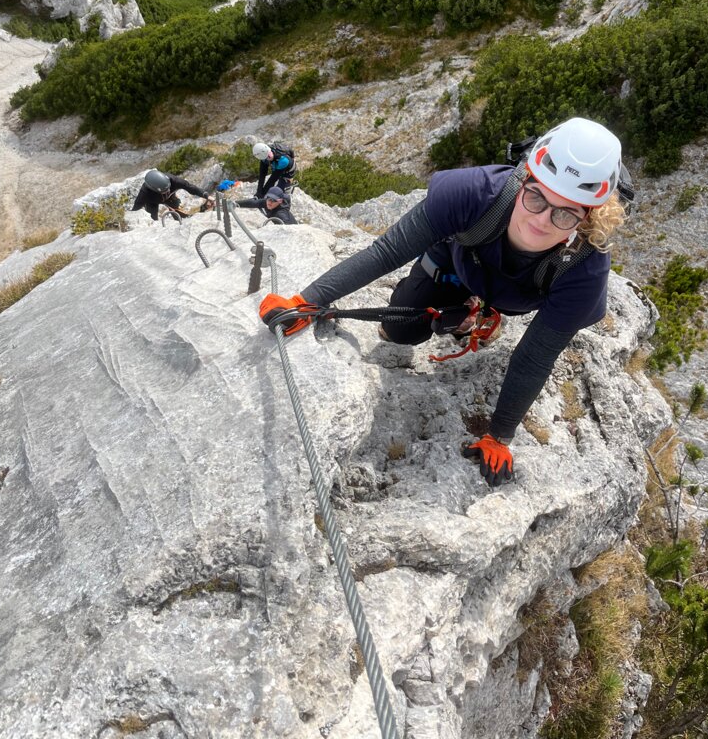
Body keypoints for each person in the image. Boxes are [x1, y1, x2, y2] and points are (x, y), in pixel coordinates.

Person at [259, 118, 628, 487]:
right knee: (398, 331)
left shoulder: (583, 269)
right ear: (523, 179)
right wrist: (308, 301)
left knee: (503, 303)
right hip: (457, 265)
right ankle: (464, 310)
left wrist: (499, 436)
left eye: (565, 213)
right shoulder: (472, 194)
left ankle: (484, 312)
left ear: (587, 219)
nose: (541, 220)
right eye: (536, 197)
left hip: (518, 297)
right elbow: (387, 251)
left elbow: (535, 356)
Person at [132, 169, 211, 221]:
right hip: (153, 202)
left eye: (168, 189)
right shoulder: (145, 193)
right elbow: (136, 208)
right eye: (164, 191)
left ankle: (181, 221)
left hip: (171, 197)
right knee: (153, 218)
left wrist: (206, 195)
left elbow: (190, 187)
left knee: (178, 212)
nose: (167, 191)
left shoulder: (174, 181)